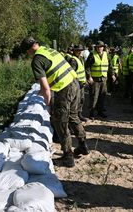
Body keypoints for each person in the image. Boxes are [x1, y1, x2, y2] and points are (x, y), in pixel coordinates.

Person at [21, 36, 89, 168]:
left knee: (59, 121)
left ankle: (68, 156)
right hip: (74, 84)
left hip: (63, 88)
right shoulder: (49, 50)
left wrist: (48, 105)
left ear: (28, 50)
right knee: (73, 116)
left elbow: (45, 88)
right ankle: (82, 145)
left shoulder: (37, 60)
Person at [85, 40, 115, 119]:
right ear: (96, 47)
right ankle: (91, 113)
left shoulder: (106, 54)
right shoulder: (92, 54)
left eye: (101, 47)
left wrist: (112, 74)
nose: (100, 48)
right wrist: (89, 76)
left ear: (103, 47)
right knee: (94, 96)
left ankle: (100, 111)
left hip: (104, 79)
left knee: (102, 96)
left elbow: (110, 66)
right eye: (98, 47)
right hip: (95, 79)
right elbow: (87, 66)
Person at [67, 44, 89, 122]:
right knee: (76, 101)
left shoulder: (81, 59)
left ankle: (79, 114)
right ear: (74, 51)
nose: (79, 52)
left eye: (80, 50)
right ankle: (74, 116)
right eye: (77, 50)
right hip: (76, 84)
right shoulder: (73, 60)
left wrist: (85, 79)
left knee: (81, 99)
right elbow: (72, 73)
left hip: (82, 83)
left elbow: (82, 70)